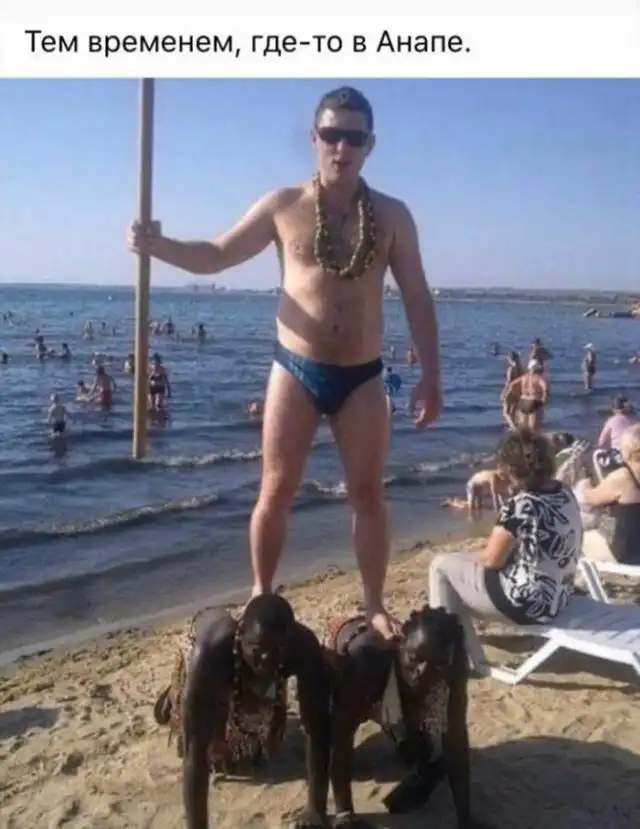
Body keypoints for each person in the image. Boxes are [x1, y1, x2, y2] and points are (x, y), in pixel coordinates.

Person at [128, 86, 442, 640]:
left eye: (354, 137)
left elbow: (417, 295)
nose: (342, 147)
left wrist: (431, 377)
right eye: (332, 134)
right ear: (314, 138)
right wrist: (160, 245)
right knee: (275, 490)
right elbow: (217, 255)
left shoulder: (393, 215)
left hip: (362, 375)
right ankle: (260, 593)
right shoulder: (283, 205)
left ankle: (374, 603)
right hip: (295, 368)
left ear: (370, 145)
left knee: (368, 493)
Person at [153, 595, 331, 829]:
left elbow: (317, 727)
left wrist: (316, 810)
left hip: (244, 663)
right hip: (209, 645)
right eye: (259, 649)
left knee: (255, 751)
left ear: (289, 641)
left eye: (278, 649)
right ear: (242, 634)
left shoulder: (303, 646)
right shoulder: (211, 652)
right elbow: (194, 753)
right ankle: (170, 700)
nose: (267, 658)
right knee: (204, 729)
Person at [324, 606, 489, 828]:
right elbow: (339, 738)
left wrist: (465, 820)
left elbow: (456, 741)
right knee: (330, 744)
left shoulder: (453, 668)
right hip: (350, 655)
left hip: (390, 682)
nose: (422, 672)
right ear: (401, 644)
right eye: (415, 658)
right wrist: (344, 814)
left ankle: (408, 742)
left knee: (419, 751)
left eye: (437, 665)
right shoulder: (366, 663)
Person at [429, 429, 581, 628]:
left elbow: (491, 561)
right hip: (559, 596)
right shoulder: (564, 491)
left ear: (509, 470)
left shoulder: (522, 504)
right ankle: (458, 641)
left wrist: (474, 558)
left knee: (440, 566)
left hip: (528, 605)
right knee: (458, 563)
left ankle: (449, 643)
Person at [579, 424, 640, 565]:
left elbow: (590, 498)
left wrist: (584, 481)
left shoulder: (624, 477)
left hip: (628, 553)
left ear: (626, 452)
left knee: (581, 537)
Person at [507, 359, 548, 430]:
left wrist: (517, 394)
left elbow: (511, 385)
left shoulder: (523, 377)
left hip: (523, 400)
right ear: (537, 369)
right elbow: (545, 388)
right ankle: (532, 436)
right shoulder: (538, 378)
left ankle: (521, 436)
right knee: (533, 427)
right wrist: (544, 398)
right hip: (533, 401)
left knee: (523, 426)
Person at [500, 350, 523, 430]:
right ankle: (512, 426)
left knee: (505, 412)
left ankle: (513, 428)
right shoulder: (520, 368)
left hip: (511, 390)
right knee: (513, 410)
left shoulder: (511, 369)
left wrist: (503, 392)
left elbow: (508, 382)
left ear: (510, 359)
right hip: (519, 391)